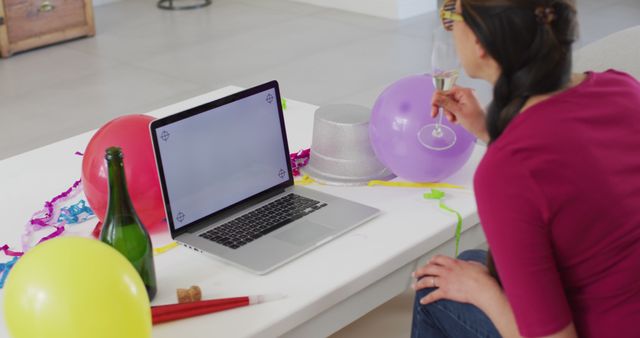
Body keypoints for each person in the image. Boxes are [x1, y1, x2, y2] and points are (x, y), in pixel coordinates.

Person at [410, 0, 640, 337]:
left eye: (451, 15)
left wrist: (482, 291)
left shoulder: (504, 173)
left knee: (435, 288)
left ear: (480, 43)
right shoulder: (623, 89)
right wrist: (490, 131)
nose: (449, 26)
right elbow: (574, 169)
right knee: (471, 259)